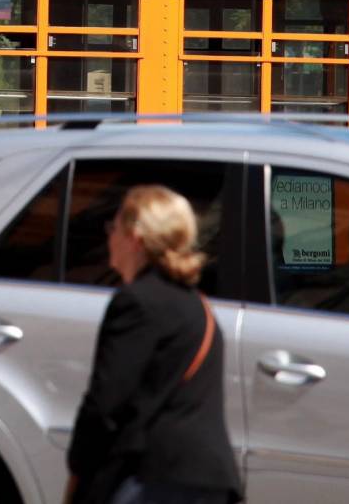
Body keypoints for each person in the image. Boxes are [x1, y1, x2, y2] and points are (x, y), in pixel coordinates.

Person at [65, 185, 242, 504]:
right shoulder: (198, 307)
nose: (109, 237)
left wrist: (78, 468)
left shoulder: (136, 302)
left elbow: (105, 403)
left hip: (155, 479)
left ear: (135, 237)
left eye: (113, 227)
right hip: (208, 481)